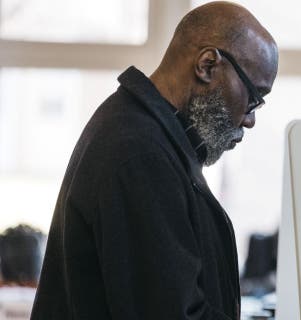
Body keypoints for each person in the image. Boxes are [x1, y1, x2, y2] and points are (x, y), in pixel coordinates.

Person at [30, 2, 278, 319]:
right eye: (253, 97)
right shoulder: (139, 154)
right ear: (207, 66)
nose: (250, 120)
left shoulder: (148, 137)